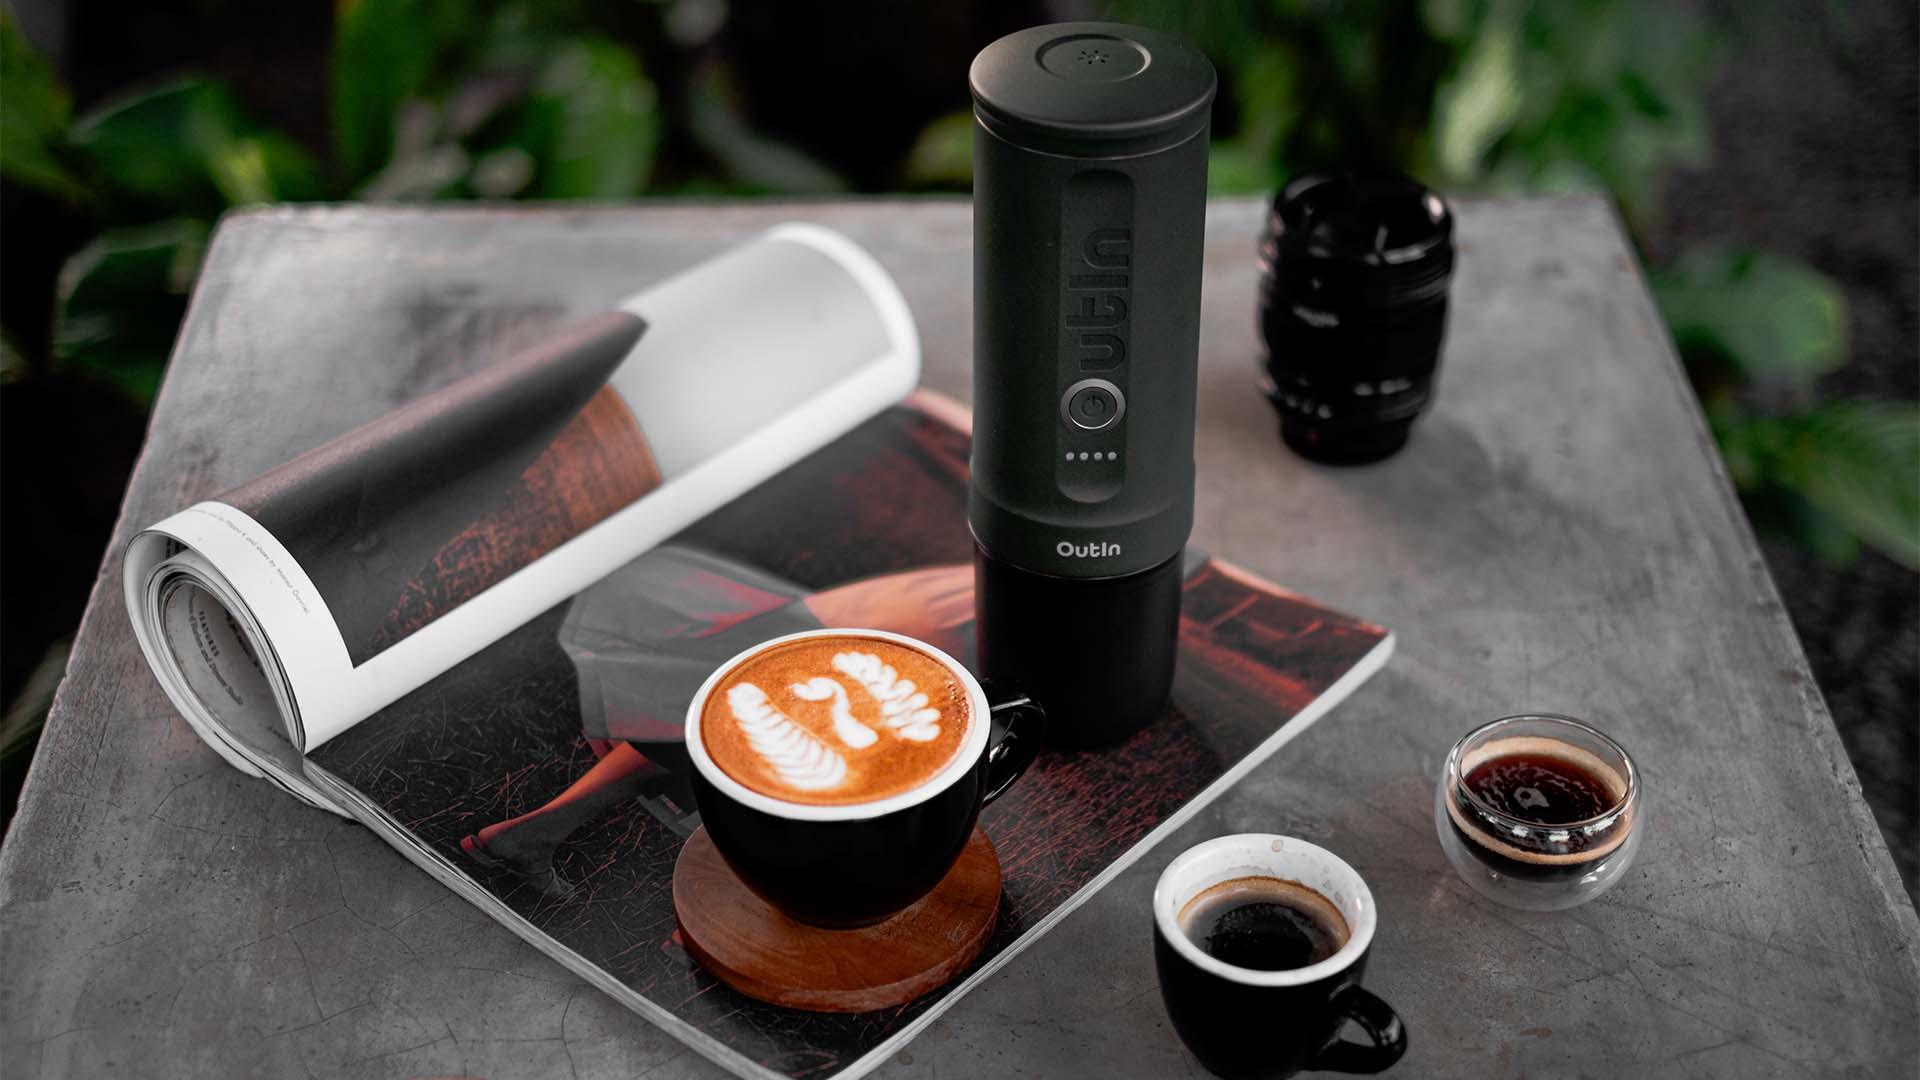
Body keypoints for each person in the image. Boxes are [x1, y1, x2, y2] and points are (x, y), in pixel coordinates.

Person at [460, 543, 973, 897]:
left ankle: (528, 837)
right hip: (880, 639)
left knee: (687, 735)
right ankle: (528, 837)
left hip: (870, 624)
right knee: (698, 737)